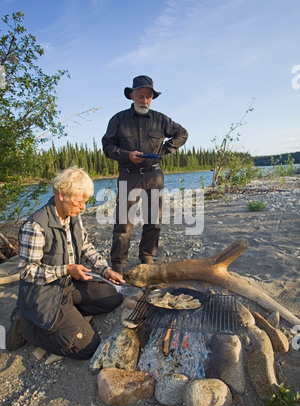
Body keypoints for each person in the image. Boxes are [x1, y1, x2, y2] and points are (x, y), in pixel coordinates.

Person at [6, 166, 125, 360]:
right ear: (62, 195)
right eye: (80, 201)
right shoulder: (35, 226)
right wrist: (67, 269)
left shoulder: (73, 216)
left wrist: (106, 270)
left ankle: (64, 315)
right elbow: (27, 271)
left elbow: (85, 246)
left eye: (86, 202)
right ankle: (26, 325)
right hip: (42, 293)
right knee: (88, 347)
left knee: (113, 297)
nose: (84, 207)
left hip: (67, 285)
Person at [102, 75, 188, 275]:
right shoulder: (118, 120)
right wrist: (127, 155)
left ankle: (147, 257)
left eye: (148, 97)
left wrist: (164, 151)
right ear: (132, 96)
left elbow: (182, 133)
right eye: (141, 96)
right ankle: (118, 264)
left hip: (154, 174)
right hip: (128, 175)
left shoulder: (161, 119)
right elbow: (107, 146)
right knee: (124, 222)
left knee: (154, 220)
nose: (145, 101)